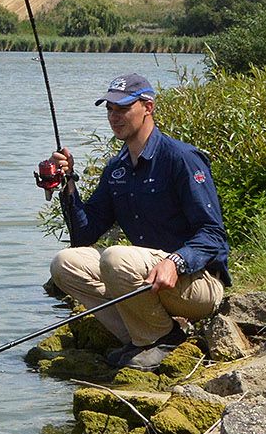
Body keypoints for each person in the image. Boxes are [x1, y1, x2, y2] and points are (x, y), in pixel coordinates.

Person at [46, 73, 230, 369]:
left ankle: (163, 339)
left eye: (123, 108)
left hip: (198, 284)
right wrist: (68, 184)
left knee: (118, 257)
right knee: (65, 263)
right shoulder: (117, 168)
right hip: (146, 279)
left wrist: (176, 262)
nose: (114, 117)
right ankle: (139, 338)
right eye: (109, 109)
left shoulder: (181, 158)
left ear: (148, 107)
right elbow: (85, 233)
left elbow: (213, 234)